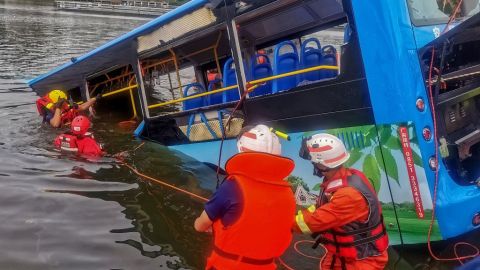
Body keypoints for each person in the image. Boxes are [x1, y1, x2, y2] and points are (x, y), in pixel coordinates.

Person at [194, 124, 296, 270]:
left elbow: (199, 226)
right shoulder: (288, 192)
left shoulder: (232, 187)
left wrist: (213, 224)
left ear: (242, 149)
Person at [294, 133, 389, 270]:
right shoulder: (345, 177)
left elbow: (314, 221)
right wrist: (297, 215)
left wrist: (285, 223)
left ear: (321, 165)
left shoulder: (348, 195)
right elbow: (321, 208)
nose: (313, 164)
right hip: (343, 256)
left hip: (361, 261)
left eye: (313, 161)